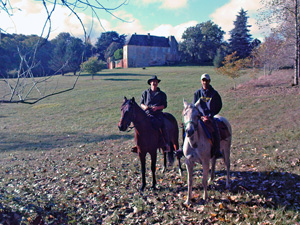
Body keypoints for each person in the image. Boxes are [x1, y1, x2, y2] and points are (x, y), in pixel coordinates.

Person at [131, 75, 170, 153]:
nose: (154, 83)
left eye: (156, 82)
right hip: (147, 113)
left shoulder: (162, 94)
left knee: (161, 124)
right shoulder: (145, 93)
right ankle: (138, 144)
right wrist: (144, 107)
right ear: (150, 83)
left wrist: (157, 108)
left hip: (157, 113)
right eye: (153, 82)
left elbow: (164, 105)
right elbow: (141, 103)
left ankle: (164, 142)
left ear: (157, 83)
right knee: (138, 125)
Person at [193, 73, 223, 158]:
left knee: (215, 128)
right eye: (203, 80)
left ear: (209, 81)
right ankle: (183, 149)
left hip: (209, 117)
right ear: (201, 81)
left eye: (206, 80)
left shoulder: (214, 93)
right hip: (199, 117)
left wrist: (210, 115)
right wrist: (200, 116)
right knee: (188, 128)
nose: (205, 82)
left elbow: (219, 105)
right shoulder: (197, 93)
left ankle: (217, 150)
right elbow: (194, 106)